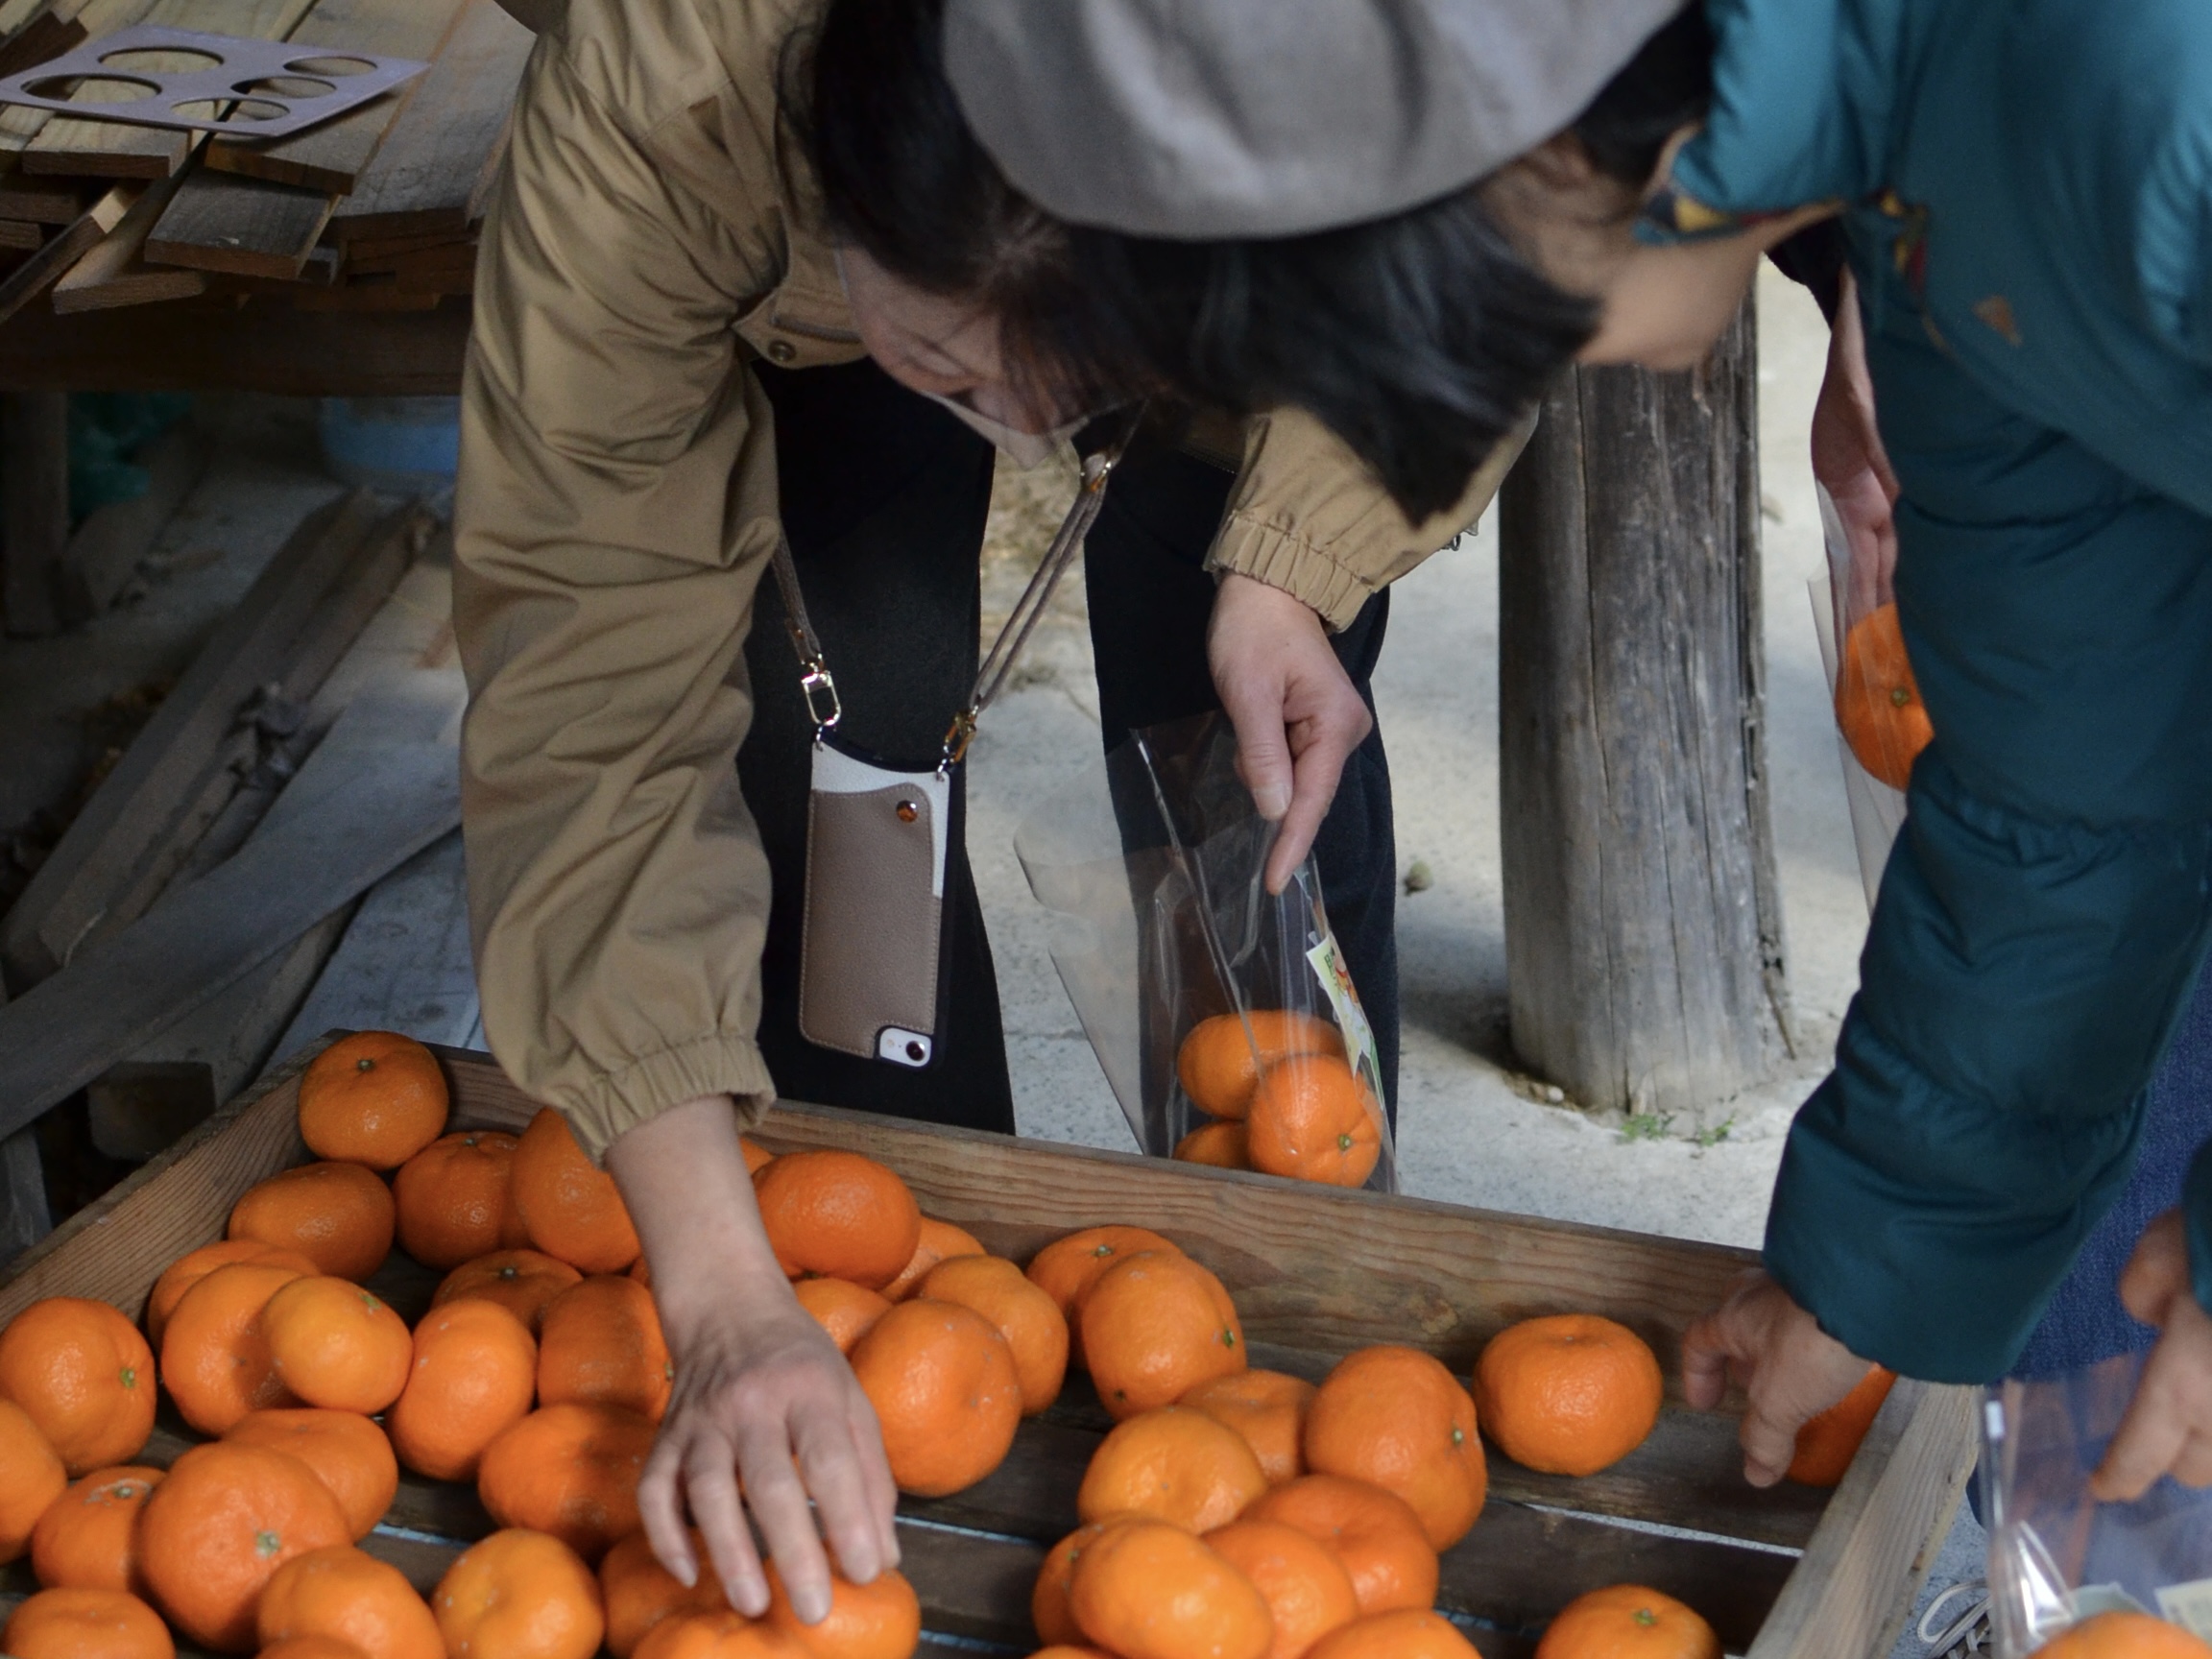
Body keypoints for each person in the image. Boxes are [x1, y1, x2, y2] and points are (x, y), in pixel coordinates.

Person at [930, 0, 2212, 1496]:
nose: (1426, 400)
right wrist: (1879, 1264)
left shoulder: (2134, 82)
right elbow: (2061, 804)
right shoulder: (1930, 218)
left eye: (1375, 330)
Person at [449, 0, 1511, 1623]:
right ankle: (926, 1317)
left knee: (1247, 760)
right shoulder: (670, 103)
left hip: (1216, 270)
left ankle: (1294, 1346)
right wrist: (727, 1300)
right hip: (831, 227)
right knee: (847, 731)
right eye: (962, 365)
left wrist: (1298, 556)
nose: (1026, 436)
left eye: (1073, 387)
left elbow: (1486, 218)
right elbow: (589, 679)